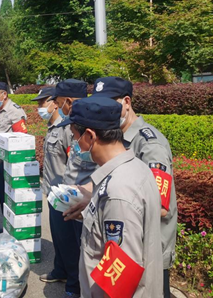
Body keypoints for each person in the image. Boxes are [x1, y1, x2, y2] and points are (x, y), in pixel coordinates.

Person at [61, 96, 163, 298]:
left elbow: (121, 275)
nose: (75, 144)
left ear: (90, 136)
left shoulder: (118, 191)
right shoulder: (134, 168)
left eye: (75, 137)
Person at [91, 76, 177, 298]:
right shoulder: (115, 138)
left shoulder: (150, 144)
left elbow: (160, 206)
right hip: (123, 244)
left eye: (109, 104)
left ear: (126, 102)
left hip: (149, 249)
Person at [38, 83, 86, 298]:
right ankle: (60, 270)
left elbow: (74, 163)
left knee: (69, 242)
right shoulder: (54, 126)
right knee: (58, 237)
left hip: (66, 196)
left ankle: (73, 284)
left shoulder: (68, 129)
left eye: (45, 102)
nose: (41, 107)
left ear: (62, 102)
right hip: (53, 192)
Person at [0, 82, 27, 213]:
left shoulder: (14, 110)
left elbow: (21, 137)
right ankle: (5, 220)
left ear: (4, 94)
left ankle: (10, 222)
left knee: (9, 196)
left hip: (8, 162)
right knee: (2, 194)